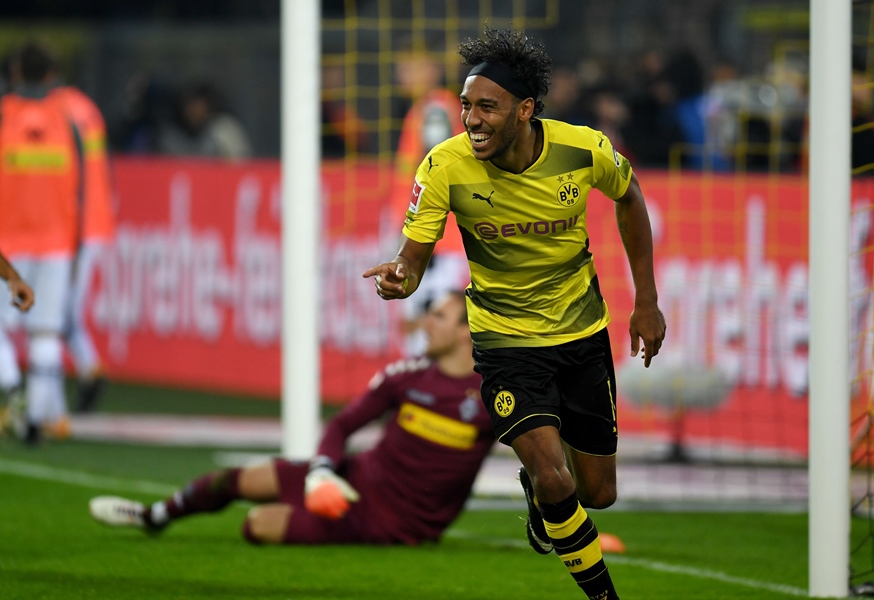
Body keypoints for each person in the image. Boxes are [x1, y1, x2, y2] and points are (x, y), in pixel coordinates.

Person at [362, 27, 666, 599]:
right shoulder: (444, 166)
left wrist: (646, 301)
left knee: (596, 494)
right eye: (465, 107)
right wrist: (401, 277)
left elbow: (630, 198)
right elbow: (413, 256)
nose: (471, 120)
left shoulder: (584, 149)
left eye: (486, 107)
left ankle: (541, 494)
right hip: (504, 343)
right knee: (556, 475)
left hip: (582, 334)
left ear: (525, 111)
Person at [89, 291, 496, 546]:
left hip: (390, 522)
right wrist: (323, 472)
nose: (425, 323)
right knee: (239, 479)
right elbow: (341, 426)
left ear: (465, 333)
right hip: (354, 478)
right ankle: (154, 516)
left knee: (257, 526)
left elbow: (534, 446)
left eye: (439, 317)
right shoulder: (405, 376)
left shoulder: (492, 393)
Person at [0, 42, 83, 444]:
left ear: (15, 73)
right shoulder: (67, 121)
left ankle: (9, 383)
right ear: (51, 75)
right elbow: (81, 188)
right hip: (56, 242)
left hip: (7, 243)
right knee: (45, 333)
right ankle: (35, 418)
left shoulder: (4, 115)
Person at [390, 48, 469, 356]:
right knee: (421, 330)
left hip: (437, 242)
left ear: (432, 68)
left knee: (429, 333)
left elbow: (436, 172)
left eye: (410, 65)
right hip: (432, 240)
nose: (402, 75)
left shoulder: (436, 108)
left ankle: (431, 401)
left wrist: (420, 239)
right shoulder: (427, 107)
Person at [50, 80, 117, 414]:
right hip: (93, 220)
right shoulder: (87, 108)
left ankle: (55, 396)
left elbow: (72, 177)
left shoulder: (56, 112)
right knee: (63, 312)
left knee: (55, 315)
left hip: (72, 225)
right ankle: (87, 371)